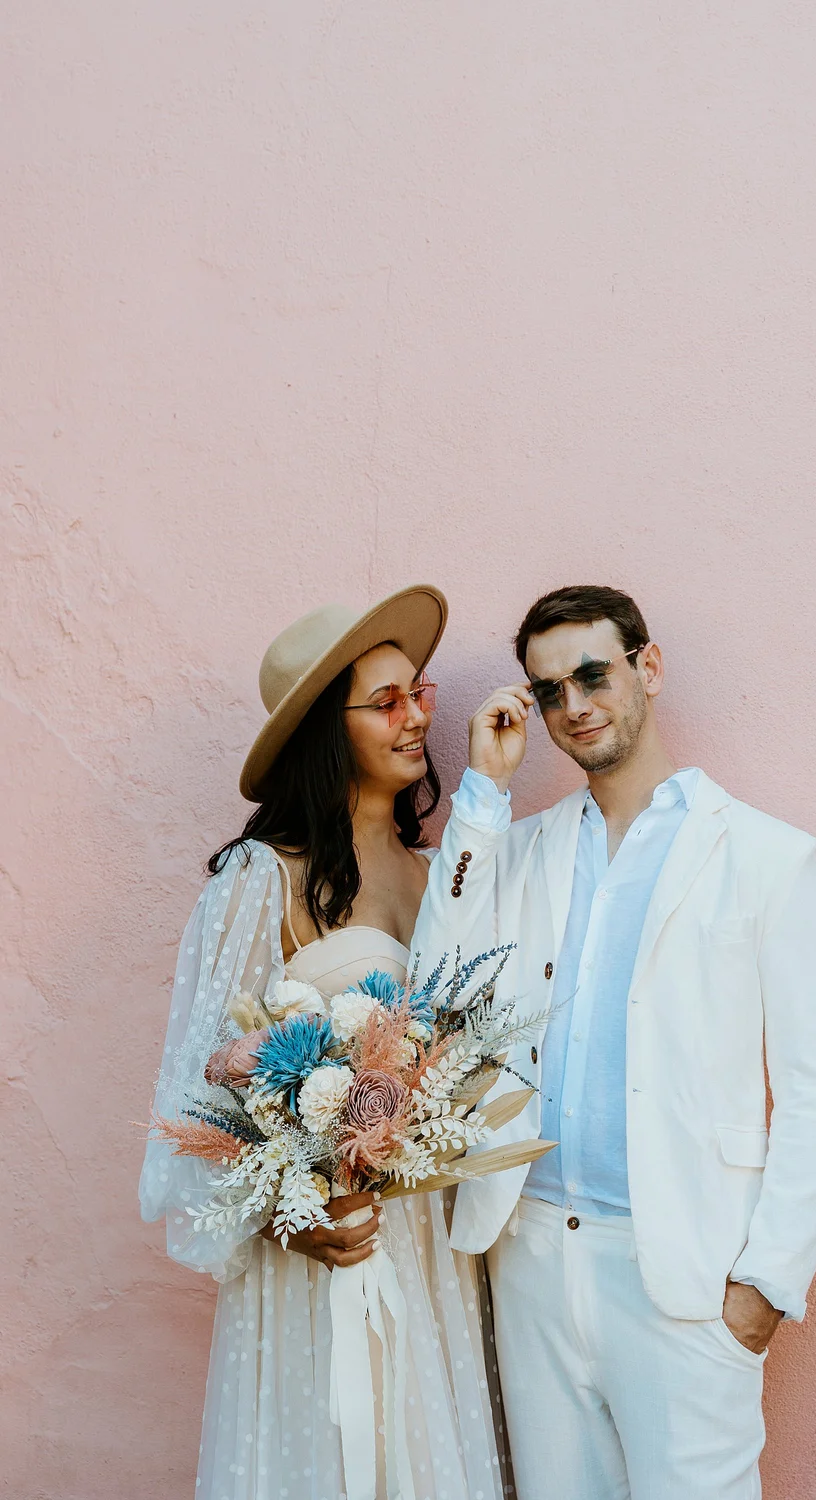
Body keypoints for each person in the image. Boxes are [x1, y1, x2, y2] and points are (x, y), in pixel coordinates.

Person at [411, 584, 816, 1500]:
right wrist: (484, 795)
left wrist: (765, 1287)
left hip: (683, 1272)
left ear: (647, 668)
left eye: (592, 674)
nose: (573, 707)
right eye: (548, 691)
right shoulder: (521, 847)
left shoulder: (766, 858)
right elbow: (437, 987)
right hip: (530, 1254)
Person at [140, 587, 510, 1500]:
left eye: (418, 692)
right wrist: (294, 1217)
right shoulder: (260, 879)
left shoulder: (438, 876)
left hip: (429, 1249)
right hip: (323, 1254)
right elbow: (199, 1102)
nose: (418, 715)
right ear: (323, 732)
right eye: (385, 702)